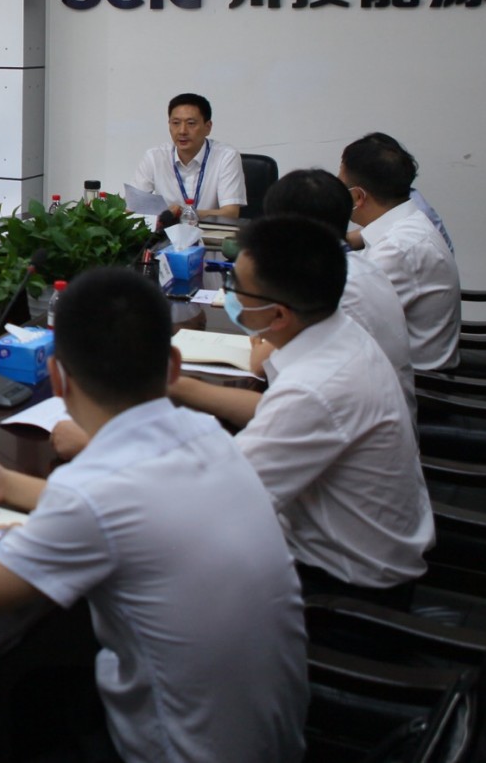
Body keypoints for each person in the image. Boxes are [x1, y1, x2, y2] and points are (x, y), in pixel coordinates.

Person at [0, 267, 307, 763]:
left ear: (57, 377)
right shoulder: (211, 437)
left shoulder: (95, 495)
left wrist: (19, 534)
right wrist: (9, 485)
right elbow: (130, 508)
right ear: (173, 367)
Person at [168, 216, 433, 605]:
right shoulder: (340, 332)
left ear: (278, 315)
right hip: (354, 553)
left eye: (236, 286)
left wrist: (98, 443)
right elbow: (273, 410)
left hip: (343, 594)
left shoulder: (317, 388)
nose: (230, 294)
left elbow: (214, 501)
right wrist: (178, 386)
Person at [264, 167, 414, 420]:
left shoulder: (328, 286)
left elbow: (261, 358)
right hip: (375, 409)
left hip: (353, 417)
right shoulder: (360, 266)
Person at [339, 133, 461, 371]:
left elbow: (343, 327)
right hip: (400, 366)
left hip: (420, 383)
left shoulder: (397, 250)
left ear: (357, 196)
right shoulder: (407, 222)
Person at [126, 92, 245, 220]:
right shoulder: (154, 157)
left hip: (209, 231)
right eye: (176, 123)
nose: (182, 131)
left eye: (191, 123)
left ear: (207, 127)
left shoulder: (226, 156)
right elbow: (131, 208)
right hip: (166, 230)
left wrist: (183, 213)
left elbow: (230, 213)